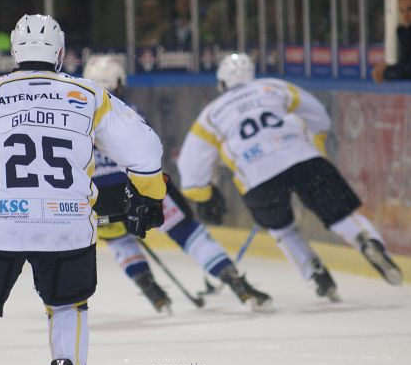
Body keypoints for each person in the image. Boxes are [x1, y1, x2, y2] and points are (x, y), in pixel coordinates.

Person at [0, 14, 168, 365]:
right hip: (68, 223)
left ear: (13, 52)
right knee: (67, 304)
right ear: (60, 53)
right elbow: (145, 150)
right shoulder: (89, 94)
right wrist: (149, 195)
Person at [176, 53, 402, 304]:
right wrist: (314, 145)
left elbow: (191, 162)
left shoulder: (212, 114)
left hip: (257, 176)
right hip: (302, 158)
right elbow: (318, 115)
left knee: (281, 228)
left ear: (221, 84)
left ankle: (314, 273)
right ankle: (366, 241)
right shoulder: (273, 86)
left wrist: (201, 193)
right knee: (340, 214)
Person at [83, 55, 272, 313]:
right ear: (119, 83)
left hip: (97, 198)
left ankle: (152, 290)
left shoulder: (73, 115)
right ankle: (236, 283)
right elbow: (147, 152)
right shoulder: (126, 110)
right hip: (138, 188)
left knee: (120, 241)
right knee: (187, 232)